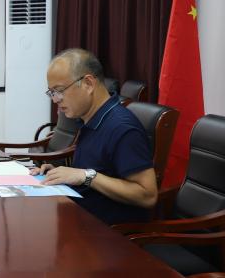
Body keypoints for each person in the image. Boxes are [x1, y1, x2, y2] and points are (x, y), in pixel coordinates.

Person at [34, 48, 157, 224]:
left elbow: (147, 195)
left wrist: (86, 176)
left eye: (59, 91)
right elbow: (95, 172)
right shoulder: (89, 119)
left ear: (88, 84)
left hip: (105, 232)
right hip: (78, 217)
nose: (55, 100)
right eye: (52, 93)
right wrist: (58, 174)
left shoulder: (122, 128)